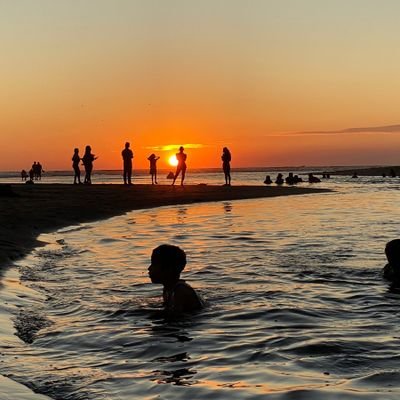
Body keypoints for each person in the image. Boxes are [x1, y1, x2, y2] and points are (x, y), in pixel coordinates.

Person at [148, 244, 204, 313]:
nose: (149, 268)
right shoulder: (168, 289)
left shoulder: (180, 291)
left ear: (168, 269)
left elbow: (177, 317)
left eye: (154, 264)